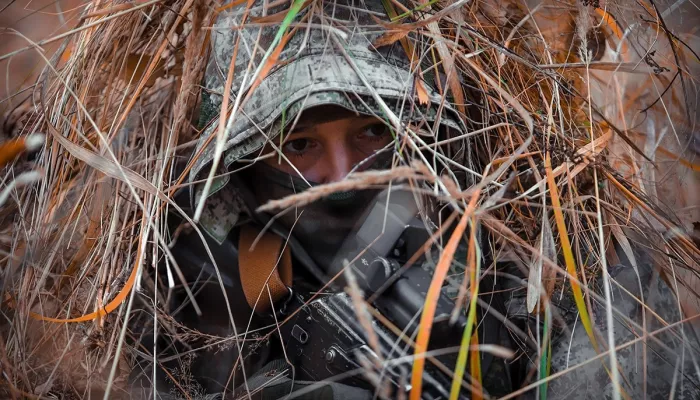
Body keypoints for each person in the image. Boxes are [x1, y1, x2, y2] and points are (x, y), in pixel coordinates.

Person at [128, 1, 700, 399]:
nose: (344, 173)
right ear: (243, 168)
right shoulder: (182, 296)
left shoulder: (553, 268)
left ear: (431, 132)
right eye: (299, 145)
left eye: (373, 131)